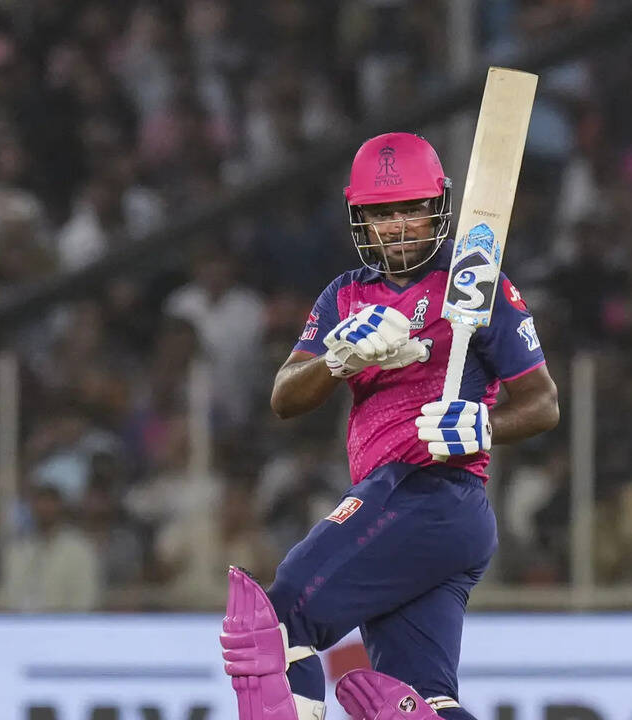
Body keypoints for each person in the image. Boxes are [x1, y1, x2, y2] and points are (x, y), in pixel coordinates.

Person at [220, 132, 559, 720]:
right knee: (417, 704)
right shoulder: (344, 296)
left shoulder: (475, 283)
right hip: (410, 515)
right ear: (361, 219)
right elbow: (284, 396)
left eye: (412, 209)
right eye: (382, 213)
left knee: (277, 622)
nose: (398, 227)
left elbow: (543, 403)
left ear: (438, 207)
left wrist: (481, 424)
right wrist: (337, 360)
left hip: (429, 494)